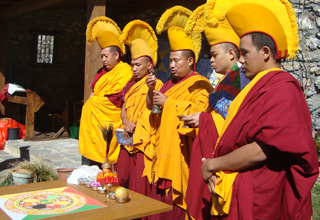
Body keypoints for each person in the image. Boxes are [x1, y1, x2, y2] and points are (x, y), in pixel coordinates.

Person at [201, 0, 319, 219]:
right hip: (245, 187)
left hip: (262, 195)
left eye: (244, 53)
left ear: (265, 52)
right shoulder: (254, 86)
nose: (240, 61)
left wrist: (213, 164)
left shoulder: (283, 87)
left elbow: (260, 149)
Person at [180, 4, 249, 219]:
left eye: (213, 54)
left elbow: (235, 121)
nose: (210, 60)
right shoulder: (226, 79)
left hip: (227, 158)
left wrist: (203, 118)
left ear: (231, 54)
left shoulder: (241, 78)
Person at [145, 6, 214, 219]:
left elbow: (199, 113)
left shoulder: (199, 84)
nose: (171, 65)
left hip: (181, 154)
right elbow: (151, 108)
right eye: (170, 60)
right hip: (161, 149)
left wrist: (169, 102)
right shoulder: (168, 83)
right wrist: (151, 91)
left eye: (176, 60)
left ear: (191, 61)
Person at [116, 20, 163, 196]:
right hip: (127, 140)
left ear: (149, 65)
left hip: (144, 143)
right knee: (122, 181)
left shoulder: (158, 84)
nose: (134, 69)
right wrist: (126, 121)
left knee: (139, 188)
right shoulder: (129, 85)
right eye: (132, 64)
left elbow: (154, 113)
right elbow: (123, 108)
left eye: (138, 65)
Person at [79, 16, 133, 166]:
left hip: (111, 120)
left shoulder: (125, 71)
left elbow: (117, 99)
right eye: (101, 56)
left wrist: (94, 102)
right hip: (94, 122)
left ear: (116, 55)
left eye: (105, 56)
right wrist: (91, 104)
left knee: (108, 155)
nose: (103, 59)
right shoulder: (101, 72)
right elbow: (93, 92)